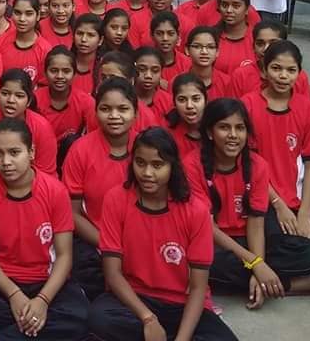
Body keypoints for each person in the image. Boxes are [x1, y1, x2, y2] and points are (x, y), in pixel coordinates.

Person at [88, 127, 239, 341]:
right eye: (140, 163)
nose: (147, 173)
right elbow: (113, 274)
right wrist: (148, 318)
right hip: (135, 299)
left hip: (182, 304)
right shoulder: (116, 199)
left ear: (172, 166)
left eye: (157, 165)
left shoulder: (196, 211)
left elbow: (198, 288)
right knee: (99, 319)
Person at [0, 118, 89, 341]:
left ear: (31, 152)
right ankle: (32, 324)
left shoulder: (55, 191)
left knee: (82, 318)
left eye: (14, 153)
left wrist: (43, 300)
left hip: (45, 281)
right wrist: (14, 294)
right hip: (3, 282)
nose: (6, 162)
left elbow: (64, 256)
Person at [197, 98, 310, 308]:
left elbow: (256, 222)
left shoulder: (257, 165)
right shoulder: (193, 166)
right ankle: (289, 285)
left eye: (240, 128)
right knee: (200, 264)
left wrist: (257, 264)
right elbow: (209, 228)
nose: (233, 135)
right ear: (209, 132)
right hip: (215, 241)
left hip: (248, 237)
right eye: (224, 128)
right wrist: (256, 264)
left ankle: (260, 283)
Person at [241, 42, 310, 275]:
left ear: (299, 73)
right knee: (298, 253)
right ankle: (278, 280)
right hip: (266, 196)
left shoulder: (308, 110)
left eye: (291, 70)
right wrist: (278, 204)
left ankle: (268, 277)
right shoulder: (248, 106)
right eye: (276, 68)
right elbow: (248, 163)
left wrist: (304, 214)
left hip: (304, 197)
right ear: (264, 71)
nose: (283, 76)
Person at [62, 77, 137, 299]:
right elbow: (73, 213)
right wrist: (109, 245)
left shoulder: (146, 148)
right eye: (105, 109)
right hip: (95, 238)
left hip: (139, 238)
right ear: (95, 112)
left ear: (135, 112)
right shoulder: (80, 150)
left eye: (123, 109)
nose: (114, 116)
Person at [0, 70, 58, 175]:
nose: (11, 100)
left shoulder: (42, 127)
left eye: (19, 96)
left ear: (29, 101)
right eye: (5, 93)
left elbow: (46, 171)